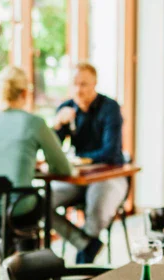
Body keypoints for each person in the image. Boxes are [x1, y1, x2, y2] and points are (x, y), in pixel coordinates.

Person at [0, 65, 73, 219]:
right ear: (25, 93)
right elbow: (64, 168)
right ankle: (85, 242)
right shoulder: (34, 123)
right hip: (17, 209)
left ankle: (85, 243)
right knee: (43, 203)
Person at [51, 62, 127, 263]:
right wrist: (58, 124)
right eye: (75, 84)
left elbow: (110, 151)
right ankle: (86, 244)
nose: (78, 89)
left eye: (84, 84)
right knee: (41, 203)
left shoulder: (110, 108)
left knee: (96, 204)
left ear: (95, 83)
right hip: (78, 179)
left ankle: (83, 263)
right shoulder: (66, 108)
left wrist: (83, 159)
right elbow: (53, 149)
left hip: (110, 176)